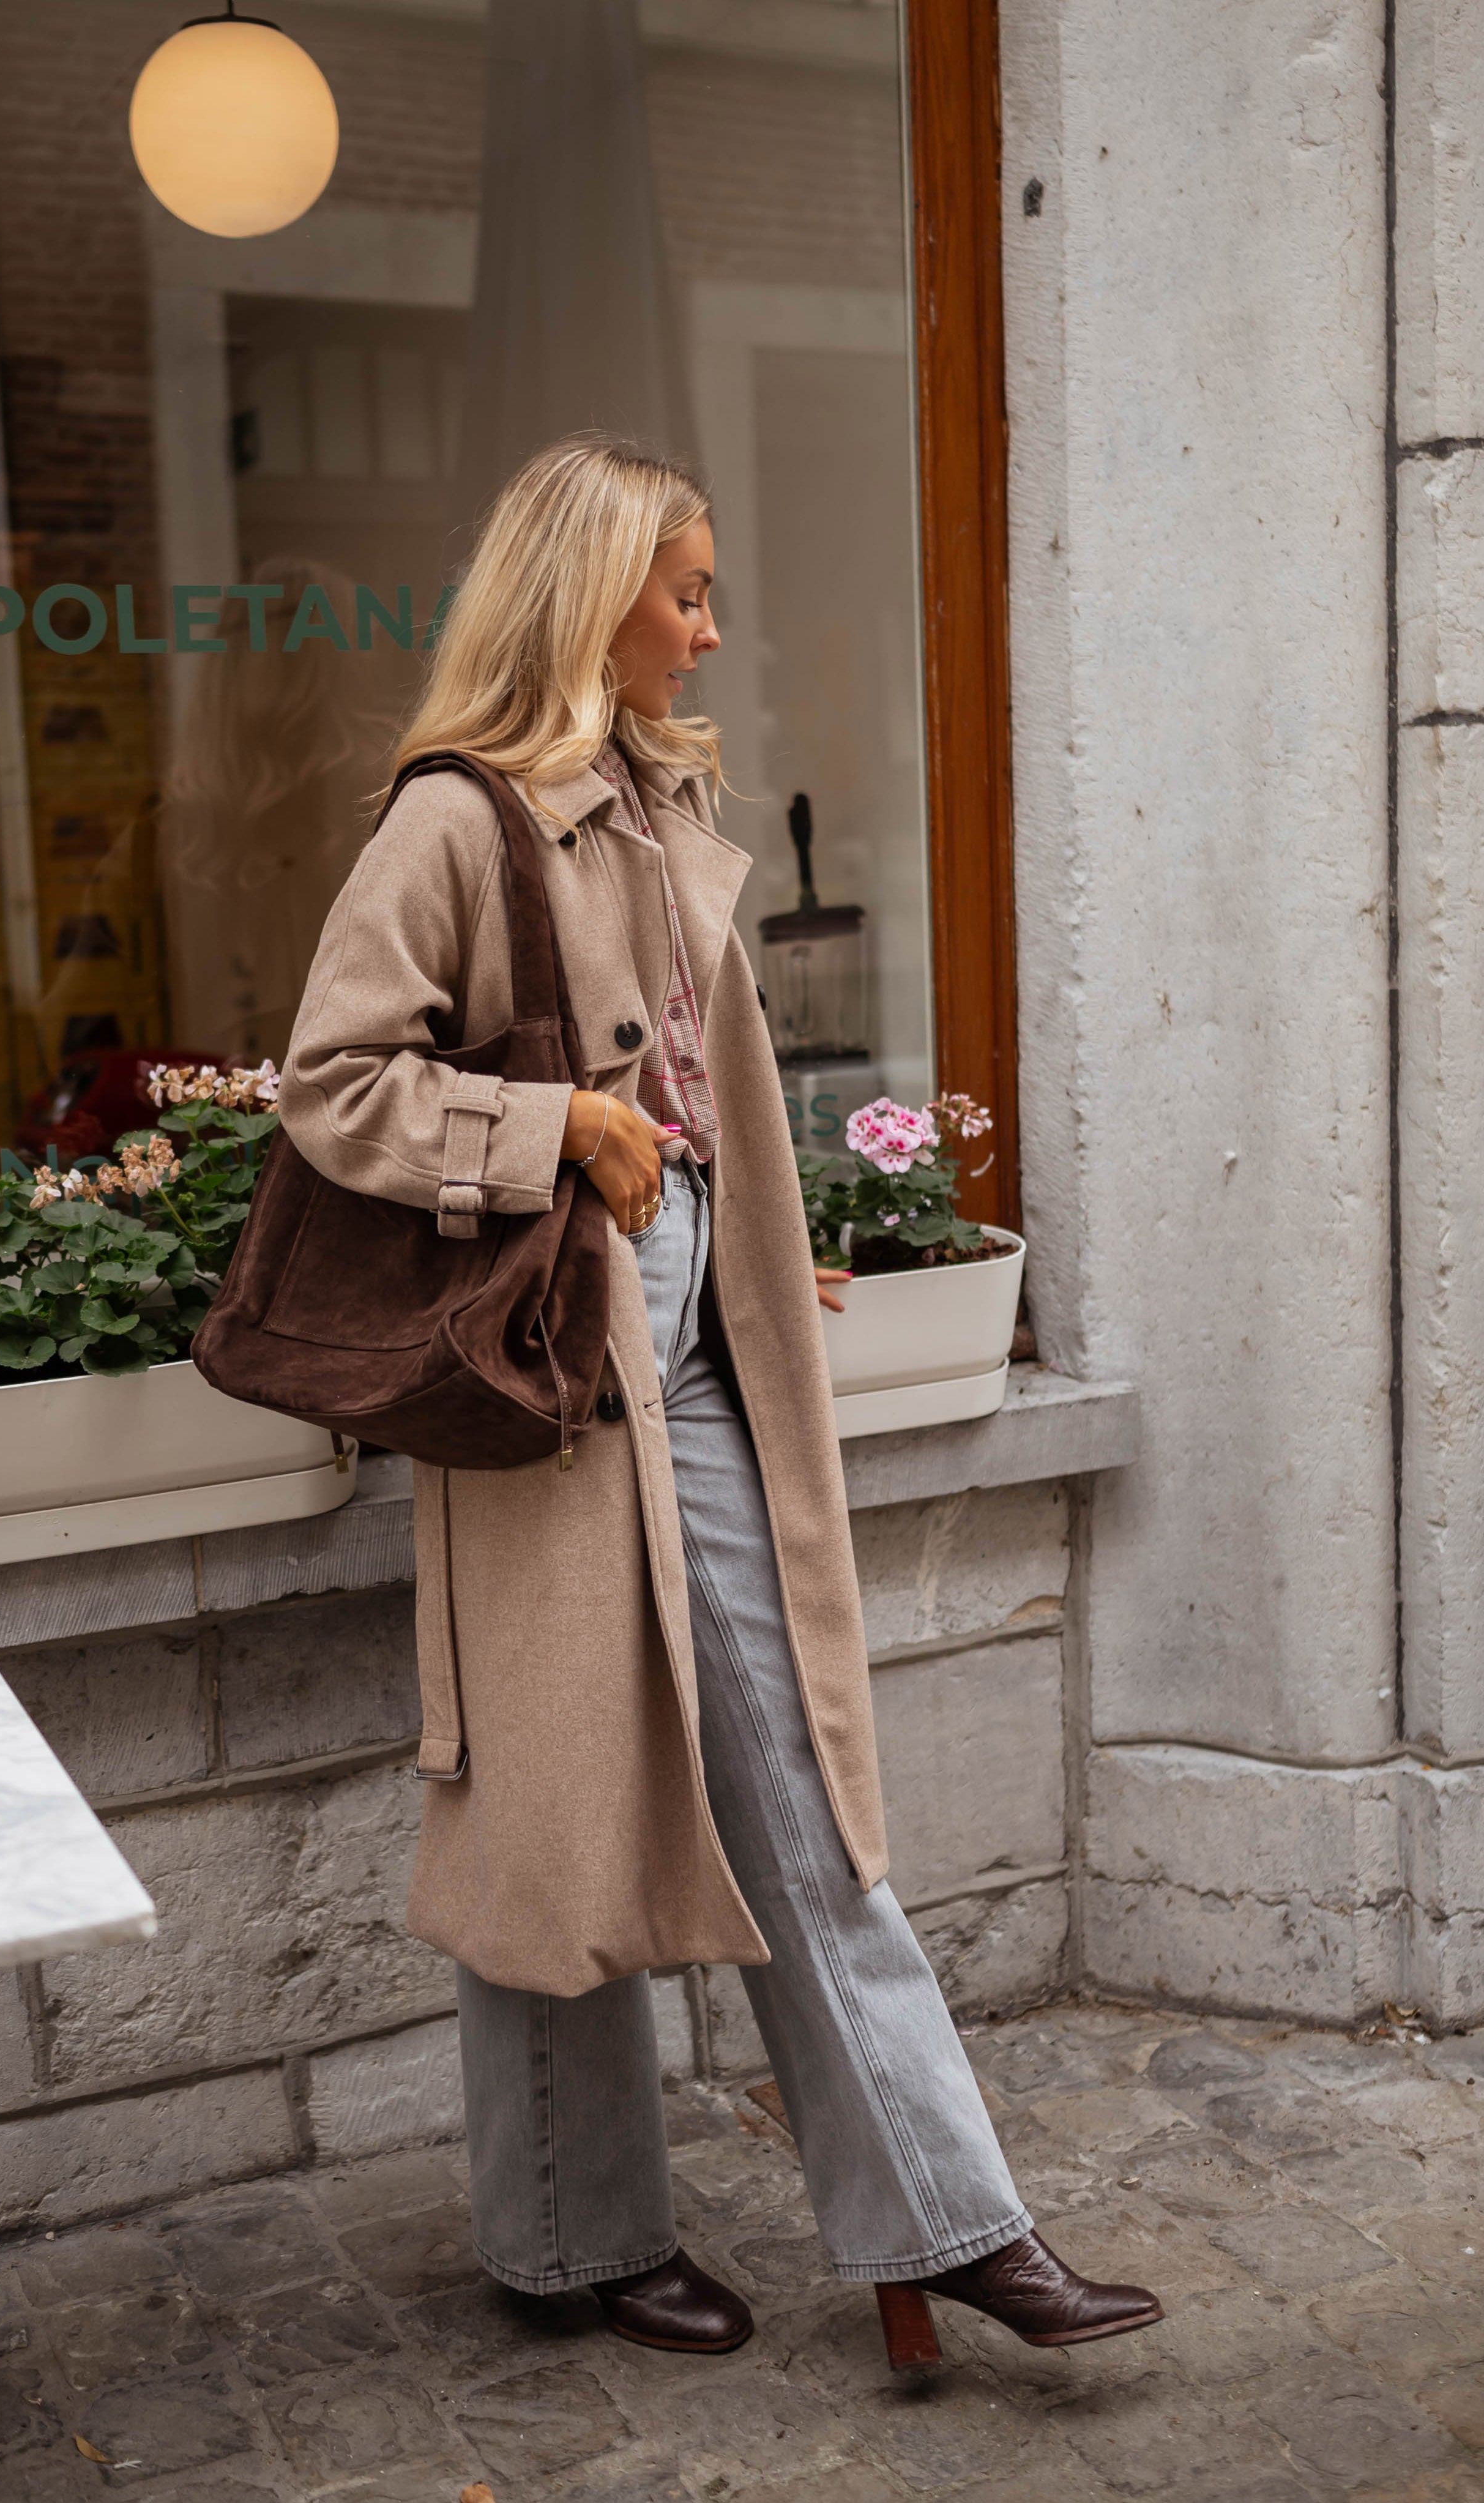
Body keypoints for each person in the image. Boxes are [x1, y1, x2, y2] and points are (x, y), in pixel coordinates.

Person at [277, 436, 1161, 2374]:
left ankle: (958, 2220)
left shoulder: (668, 816)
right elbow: (333, 1083)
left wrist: (757, 1247)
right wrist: (550, 1129)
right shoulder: (457, 819)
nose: (710, 620)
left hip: (686, 1338)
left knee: (804, 1799)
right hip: (535, 1366)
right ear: (589, 598)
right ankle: (571, 2237)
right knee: (555, 1815)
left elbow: (696, 1097)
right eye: (684, 586)